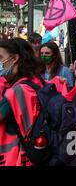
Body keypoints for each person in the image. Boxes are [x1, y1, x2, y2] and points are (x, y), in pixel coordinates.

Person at [0, 38, 45, 166]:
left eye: (0, 57)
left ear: (14, 59)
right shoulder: (35, 80)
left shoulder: (17, 91)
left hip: (17, 156)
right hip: (33, 151)